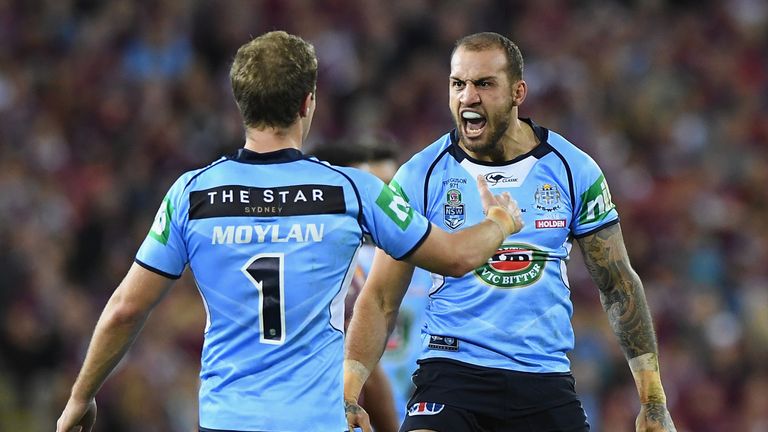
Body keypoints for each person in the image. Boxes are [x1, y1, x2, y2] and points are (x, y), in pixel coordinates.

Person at [55, 30, 524, 432]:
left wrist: (81, 397)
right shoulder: (353, 190)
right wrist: (499, 222)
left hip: (227, 420)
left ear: (241, 104)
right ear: (308, 102)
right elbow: (457, 257)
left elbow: (124, 310)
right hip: (314, 422)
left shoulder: (191, 195)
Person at [344, 32, 677, 432]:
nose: (468, 97)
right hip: (450, 376)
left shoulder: (573, 170)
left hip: (544, 380)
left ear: (518, 92)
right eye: (458, 84)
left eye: (484, 84)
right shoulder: (420, 176)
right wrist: (347, 394)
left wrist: (653, 400)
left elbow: (618, 284)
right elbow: (380, 297)